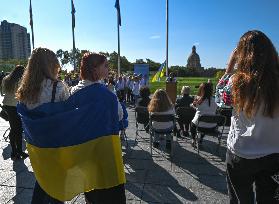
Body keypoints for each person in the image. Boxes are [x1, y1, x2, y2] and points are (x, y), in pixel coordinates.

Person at [217, 30, 279, 204]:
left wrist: (230, 66)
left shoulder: (236, 81)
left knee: (240, 199)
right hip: (275, 154)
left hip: (242, 153)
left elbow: (220, 101)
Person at [70, 52, 126, 204]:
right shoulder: (107, 94)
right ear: (95, 69)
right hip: (105, 148)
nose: (109, 69)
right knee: (111, 191)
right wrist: (111, 92)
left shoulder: (74, 91)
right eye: (105, 65)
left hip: (84, 148)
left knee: (91, 189)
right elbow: (119, 116)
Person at [16, 48, 69, 204]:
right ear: (51, 65)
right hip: (56, 143)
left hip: (35, 143)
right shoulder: (57, 87)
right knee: (59, 183)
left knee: (42, 179)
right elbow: (68, 114)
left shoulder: (24, 90)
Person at [2, 65, 28, 160]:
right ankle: (17, 152)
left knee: (14, 128)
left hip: (7, 106)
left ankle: (16, 151)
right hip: (16, 106)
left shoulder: (6, 79)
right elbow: (23, 94)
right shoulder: (21, 81)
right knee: (18, 129)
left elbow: (4, 91)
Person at [190, 83, 218, 147]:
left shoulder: (199, 101)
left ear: (202, 90)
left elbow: (194, 106)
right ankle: (201, 139)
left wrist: (192, 105)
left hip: (200, 126)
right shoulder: (215, 101)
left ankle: (193, 140)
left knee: (193, 123)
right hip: (212, 126)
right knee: (206, 121)